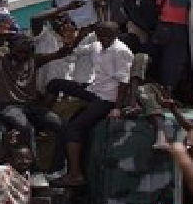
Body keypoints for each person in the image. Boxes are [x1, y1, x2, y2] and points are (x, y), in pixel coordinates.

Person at [48, 22, 133, 186]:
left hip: (108, 97)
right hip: (95, 89)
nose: (103, 39)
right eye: (100, 36)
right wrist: (72, 39)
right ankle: (43, 117)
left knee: (74, 128)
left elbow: (124, 82)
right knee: (55, 84)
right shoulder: (95, 46)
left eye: (107, 36)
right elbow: (75, 52)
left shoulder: (121, 51)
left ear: (115, 36)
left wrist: (116, 107)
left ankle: (75, 174)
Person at [0, 24, 74, 169]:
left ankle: (57, 168)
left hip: (30, 106)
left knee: (61, 125)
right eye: (18, 52)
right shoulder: (0, 60)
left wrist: (68, 44)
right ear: (10, 49)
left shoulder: (34, 60)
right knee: (26, 127)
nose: (22, 55)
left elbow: (59, 54)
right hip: (8, 106)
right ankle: (33, 171)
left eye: (25, 52)